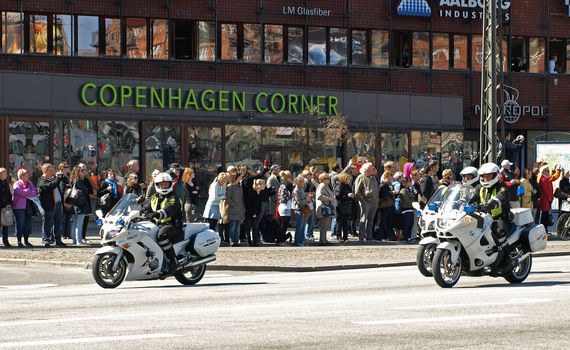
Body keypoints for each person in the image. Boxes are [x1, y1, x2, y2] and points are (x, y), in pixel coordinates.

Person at [142, 172, 183, 275]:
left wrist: (155, 214)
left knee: (162, 235)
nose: (163, 186)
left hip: (173, 225)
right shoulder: (154, 197)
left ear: (170, 184)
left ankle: (173, 262)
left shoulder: (173, 197)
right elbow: (145, 207)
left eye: (166, 184)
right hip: (158, 225)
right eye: (161, 184)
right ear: (157, 185)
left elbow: (169, 209)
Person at [478, 163, 511, 250]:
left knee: (498, 233)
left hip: (500, 218)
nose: (486, 178)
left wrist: (490, 204)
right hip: (485, 218)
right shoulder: (481, 187)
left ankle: (507, 257)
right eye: (484, 176)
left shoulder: (502, 186)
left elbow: (501, 196)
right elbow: (471, 196)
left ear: (495, 175)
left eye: (488, 176)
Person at [38, 163, 66, 247]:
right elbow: (51, 186)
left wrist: (61, 176)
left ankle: (58, 240)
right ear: (46, 171)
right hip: (49, 205)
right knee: (47, 223)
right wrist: (58, 178)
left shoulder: (53, 179)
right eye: (51, 170)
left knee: (58, 223)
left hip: (58, 204)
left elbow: (65, 180)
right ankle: (46, 240)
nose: (53, 171)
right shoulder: (42, 180)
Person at [354, 162, 379, 242]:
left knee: (371, 220)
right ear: (367, 170)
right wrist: (362, 201)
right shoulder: (360, 177)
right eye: (372, 169)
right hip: (365, 201)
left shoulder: (373, 177)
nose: (374, 170)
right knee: (363, 219)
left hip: (374, 202)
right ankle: (361, 236)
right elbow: (357, 191)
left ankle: (369, 236)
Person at [13, 169, 37, 247]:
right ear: (22, 176)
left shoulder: (29, 183)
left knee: (28, 224)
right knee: (20, 223)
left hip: (28, 206)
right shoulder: (17, 183)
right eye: (26, 175)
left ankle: (26, 241)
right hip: (19, 207)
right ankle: (19, 241)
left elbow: (35, 192)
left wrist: (26, 192)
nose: (28, 177)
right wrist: (28, 191)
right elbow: (19, 192)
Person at [537, 164, 562, 237]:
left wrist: (558, 170)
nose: (549, 172)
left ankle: (545, 230)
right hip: (545, 200)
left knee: (546, 215)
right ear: (544, 172)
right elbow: (545, 191)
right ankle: (543, 230)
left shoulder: (547, 178)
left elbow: (555, 176)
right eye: (547, 171)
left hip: (548, 200)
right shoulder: (543, 179)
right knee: (544, 216)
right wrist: (549, 198)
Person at [315, 172, 336, 245]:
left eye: (328, 178)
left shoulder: (327, 186)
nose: (328, 179)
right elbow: (319, 196)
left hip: (328, 207)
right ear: (322, 179)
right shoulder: (321, 186)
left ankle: (324, 239)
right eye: (326, 178)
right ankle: (322, 240)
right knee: (323, 225)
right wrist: (328, 198)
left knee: (326, 225)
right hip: (324, 207)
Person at [226, 172, 245, 247]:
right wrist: (234, 205)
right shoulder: (230, 187)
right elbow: (228, 198)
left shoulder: (239, 187)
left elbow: (242, 199)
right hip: (233, 210)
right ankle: (232, 241)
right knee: (233, 226)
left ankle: (236, 241)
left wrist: (243, 208)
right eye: (240, 177)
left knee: (238, 227)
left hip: (239, 209)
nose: (241, 179)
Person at [292, 174, 308, 247]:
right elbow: (298, 202)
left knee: (303, 226)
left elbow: (303, 197)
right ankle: (297, 241)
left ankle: (301, 241)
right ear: (297, 182)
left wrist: (307, 196)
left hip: (303, 209)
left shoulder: (301, 189)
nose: (303, 183)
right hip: (299, 209)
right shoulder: (296, 190)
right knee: (299, 226)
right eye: (301, 181)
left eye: (303, 181)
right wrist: (306, 200)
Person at [399, 177, 416, 244]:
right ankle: (406, 237)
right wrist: (413, 203)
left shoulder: (408, 190)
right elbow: (406, 200)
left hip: (410, 209)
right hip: (406, 209)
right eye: (409, 182)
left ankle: (408, 236)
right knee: (407, 224)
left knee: (410, 224)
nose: (410, 183)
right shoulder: (403, 190)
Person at [0, 168, 13, 247]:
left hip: (5, 207)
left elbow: (9, 195)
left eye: (6, 173)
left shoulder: (5, 183)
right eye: (4, 173)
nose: (6, 175)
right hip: (0, 206)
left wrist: (9, 203)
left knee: (5, 224)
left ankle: (6, 241)